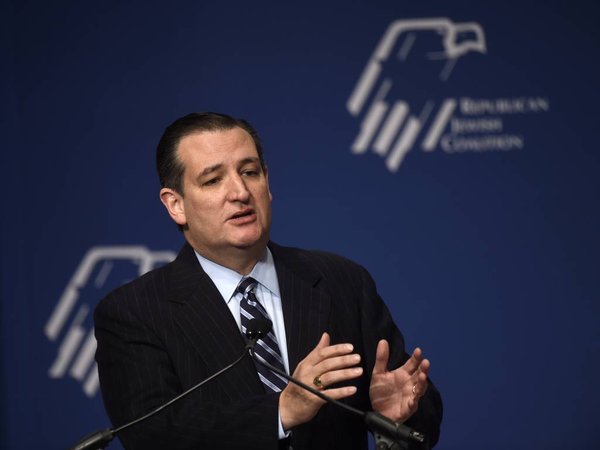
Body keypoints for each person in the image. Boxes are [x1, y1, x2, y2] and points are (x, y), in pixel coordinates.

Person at [94, 112, 443, 450]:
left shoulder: (341, 281)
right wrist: (281, 411)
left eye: (249, 172)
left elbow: (415, 414)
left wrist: (396, 418)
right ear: (176, 205)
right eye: (213, 180)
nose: (240, 192)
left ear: (267, 181)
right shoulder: (134, 313)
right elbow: (155, 436)